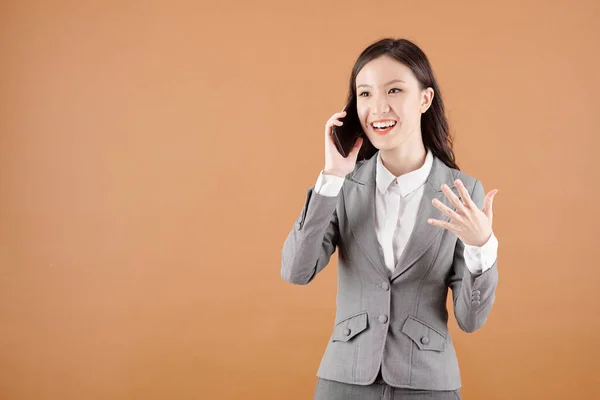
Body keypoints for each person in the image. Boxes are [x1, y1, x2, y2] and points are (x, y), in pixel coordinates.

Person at [281, 37, 499, 400]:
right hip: (344, 381)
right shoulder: (343, 187)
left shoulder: (464, 191)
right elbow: (296, 270)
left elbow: (470, 320)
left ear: (425, 99)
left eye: (394, 90)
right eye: (364, 94)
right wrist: (332, 176)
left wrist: (481, 248)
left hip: (428, 384)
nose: (378, 107)